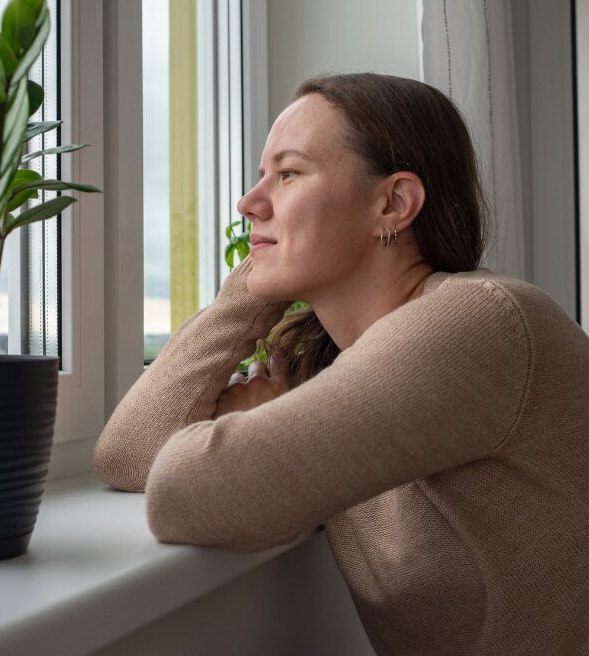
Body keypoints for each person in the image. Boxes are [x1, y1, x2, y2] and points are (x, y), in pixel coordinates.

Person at [94, 73, 589, 655]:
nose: (250, 202)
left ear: (393, 203)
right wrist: (252, 289)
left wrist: (249, 432)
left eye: (288, 174)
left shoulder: (485, 324)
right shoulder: (327, 365)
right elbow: (126, 453)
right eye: (261, 176)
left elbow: (185, 490)